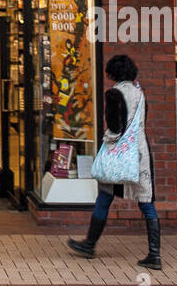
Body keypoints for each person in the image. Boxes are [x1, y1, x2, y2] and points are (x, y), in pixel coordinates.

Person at [67, 54, 161, 269]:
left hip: (119, 154)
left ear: (112, 73)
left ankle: (89, 244)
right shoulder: (139, 93)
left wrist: (106, 142)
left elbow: (115, 128)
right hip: (140, 153)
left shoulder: (113, 94)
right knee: (146, 202)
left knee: (105, 196)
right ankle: (154, 254)